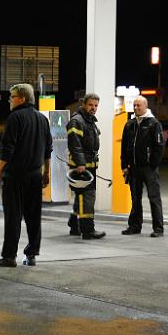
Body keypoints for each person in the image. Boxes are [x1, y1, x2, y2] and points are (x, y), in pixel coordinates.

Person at [0, 83, 52, 267]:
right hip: (35, 176)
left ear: (23, 98)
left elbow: (7, 150)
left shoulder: (14, 118)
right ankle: (31, 254)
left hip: (15, 177)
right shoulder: (42, 119)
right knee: (34, 217)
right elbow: (47, 150)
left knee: (13, 216)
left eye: (12, 96)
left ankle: (9, 256)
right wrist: (46, 173)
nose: (10, 100)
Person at [121, 95, 165, 237]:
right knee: (135, 198)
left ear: (145, 106)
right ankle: (134, 226)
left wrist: (153, 164)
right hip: (133, 168)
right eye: (134, 105)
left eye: (138, 105)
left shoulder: (153, 123)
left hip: (148, 169)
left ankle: (158, 228)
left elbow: (159, 147)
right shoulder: (130, 124)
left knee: (154, 198)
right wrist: (124, 166)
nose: (135, 108)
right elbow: (124, 147)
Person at [66, 93, 106, 239]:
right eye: (90, 105)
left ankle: (74, 224)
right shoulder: (77, 121)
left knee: (81, 197)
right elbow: (75, 145)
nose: (93, 108)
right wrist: (81, 164)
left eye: (96, 106)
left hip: (90, 165)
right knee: (87, 197)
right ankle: (88, 230)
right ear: (83, 104)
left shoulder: (89, 121)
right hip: (82, 166)